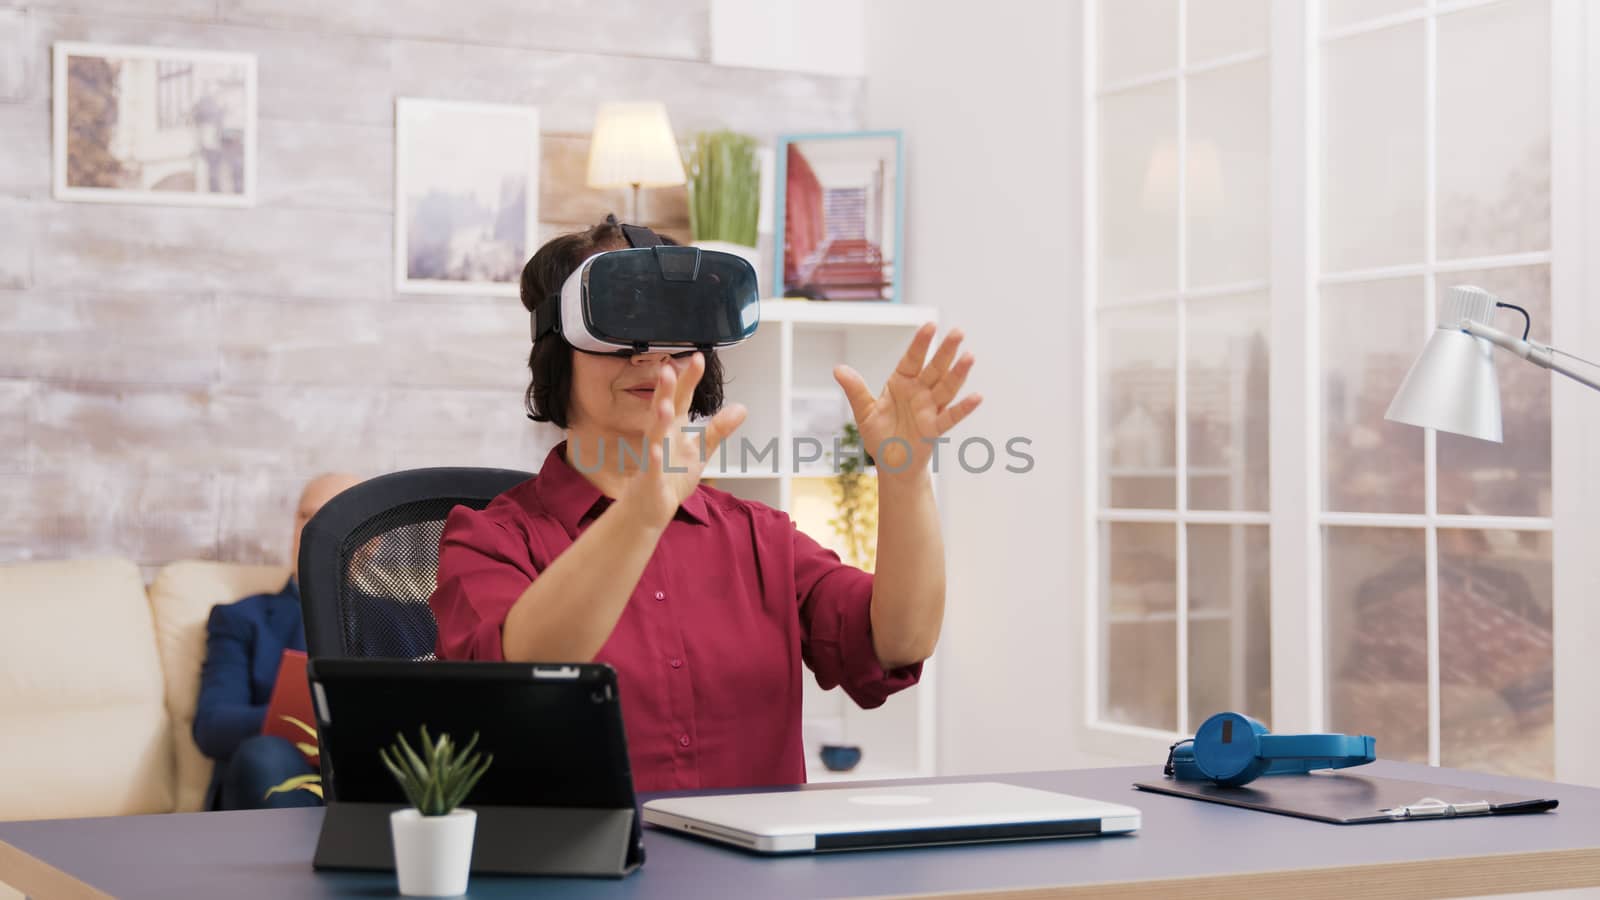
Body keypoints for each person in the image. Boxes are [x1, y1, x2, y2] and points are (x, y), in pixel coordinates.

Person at [428, 217, 980, 792]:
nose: (652, 358)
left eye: (676, 328)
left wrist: (905, 474)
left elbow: (899, 641)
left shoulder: (760, 538)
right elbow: (527, 675)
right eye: (620, 323)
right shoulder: (487, 542)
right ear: (556, 350)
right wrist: (642, 513)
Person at [194, 472, 361, 810]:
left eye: (332, 517)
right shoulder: (242, 618)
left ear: (371, 540)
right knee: (264, 754)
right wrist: (306, 718)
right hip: (275, 776)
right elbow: (212, 726)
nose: (313, 531)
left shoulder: (408, 619)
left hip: (368, 778)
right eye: (306, 517)